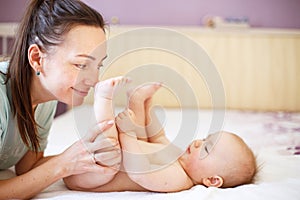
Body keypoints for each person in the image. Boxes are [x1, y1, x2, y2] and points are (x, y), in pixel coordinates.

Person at [0, 0, 121, 199]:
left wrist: (87, 156)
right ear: (37, 59)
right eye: (81, 65)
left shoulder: (46, 98)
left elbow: (27, 167)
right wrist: (63, 164)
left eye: (97, 66)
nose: (94, 81)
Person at [65, 81, 257, 192]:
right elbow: (157, 137)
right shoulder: (178, 157)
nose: (199, 142)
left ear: (212, 180)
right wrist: (148, 107)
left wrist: (127, 133)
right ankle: (137, 100)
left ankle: (104, 99)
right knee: (136, 137)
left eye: (206, 148)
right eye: (206, 138)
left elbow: (137, 171)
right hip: (90, 161)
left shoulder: (178, 180)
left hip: (90, 177)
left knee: (112, 151)